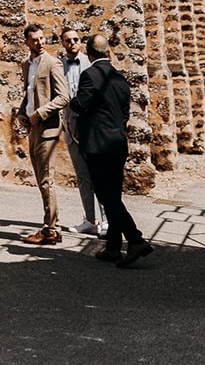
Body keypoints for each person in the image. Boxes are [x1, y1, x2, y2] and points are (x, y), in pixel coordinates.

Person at [73, 35, 152, 267]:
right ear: (108, 52)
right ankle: (113, 247)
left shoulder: (89, 75)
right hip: (118, 142)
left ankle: (135, 239)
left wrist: (72, 101)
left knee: (107, 196)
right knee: (113, 195)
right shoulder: (119, 79)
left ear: (89, 54)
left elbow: (82, 104)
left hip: (98, 145)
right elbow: (125, 113)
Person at [17, 22, 69, 245]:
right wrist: (22, 112)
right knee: (41, 180)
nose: (40, 43)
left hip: (47, 128)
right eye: (35, 40)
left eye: (42, 38)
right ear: (27, 42)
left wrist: (40, 113)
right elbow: (30, 93)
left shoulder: (52, 63)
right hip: (33, 128)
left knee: (47, 180)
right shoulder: (27, 64)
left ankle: (51, 229)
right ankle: (52, 227)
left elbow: (64, 97)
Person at [60, 26, 107, 236]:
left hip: (90, 127)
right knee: (82, 175)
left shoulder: (91, 64)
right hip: (70, 126)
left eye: (75, 39)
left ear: (81, 42)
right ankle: (90, 219)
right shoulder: (58, 65)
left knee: (99, 173)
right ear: (63, 43)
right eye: (68, 40)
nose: (72, 43)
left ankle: (107, 220)